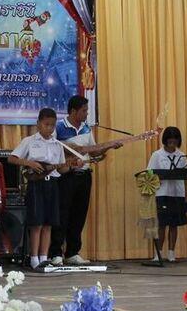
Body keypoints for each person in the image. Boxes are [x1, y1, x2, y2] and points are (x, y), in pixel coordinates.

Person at [51, 95, 121, 265]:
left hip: (84, 176)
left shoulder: (86, 128)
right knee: (62, 214)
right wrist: (74, 150)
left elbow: (93, 151)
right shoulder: (59, 127)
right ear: (73, 111)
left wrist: (108, 147)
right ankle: (55, 253)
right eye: (84, 110)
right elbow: (53, 147)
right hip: (66, 176)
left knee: (79, 215)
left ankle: (72, 252)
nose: (86, 113)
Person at [9, 108, 71, 271]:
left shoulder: (57, 144)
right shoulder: (29, 141)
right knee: (36, 222)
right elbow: (12, 158)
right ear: (38, 124)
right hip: (36, 184)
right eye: (46, 124)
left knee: (49, 223)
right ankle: (34, 258)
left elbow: (62, 169)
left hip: (52, 184)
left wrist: (72, 165)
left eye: (52, 125)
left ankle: (44, 257)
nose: (49, 128)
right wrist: (29, 163)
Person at [147, 127, 187, 262]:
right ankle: (158, 253)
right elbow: (149, 173)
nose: (172, 145)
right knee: (162, 224)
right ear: (165, 141)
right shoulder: (157, 155)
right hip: (162, 193)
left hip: (177, 193)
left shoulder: (181, 156)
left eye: (174, 142)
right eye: (170, 142)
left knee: (174, 224)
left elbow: (186, 176)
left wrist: (186, 195)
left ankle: (171, 253)